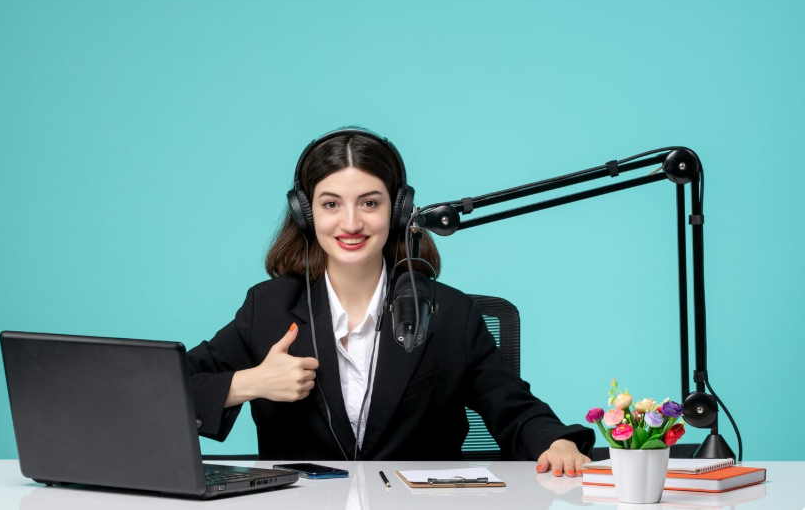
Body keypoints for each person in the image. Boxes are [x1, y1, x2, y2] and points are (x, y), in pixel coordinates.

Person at [186, 127, 594, 476]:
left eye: (370, 202)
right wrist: (249, 382)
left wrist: (555, 444)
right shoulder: (268, 307)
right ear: (305, 213)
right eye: (330, 204)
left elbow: (515, 410)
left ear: (398, 211)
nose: (350, 223)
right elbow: (172, 387)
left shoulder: (450, 314)